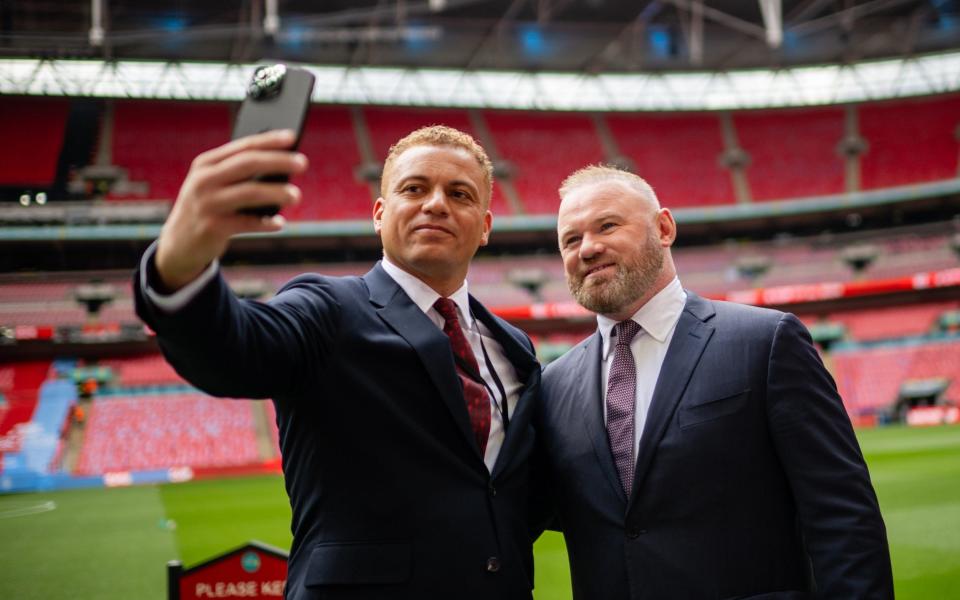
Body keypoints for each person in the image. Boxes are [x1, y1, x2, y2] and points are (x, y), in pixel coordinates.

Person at [134, 126, 541, 600]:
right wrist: (181, 265)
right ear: (379, 214)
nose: (435, 204)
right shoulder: (327, 310)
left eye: (459, 193)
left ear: (486, 226)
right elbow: (233, 351)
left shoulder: (513, 347)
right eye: (414, 188)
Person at [536, 165, 893, 599]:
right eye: (570, 239)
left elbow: (843, 514)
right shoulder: (553, 385)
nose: (588, 248)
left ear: (664, 228)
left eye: (607, 225)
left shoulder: (765, 342)